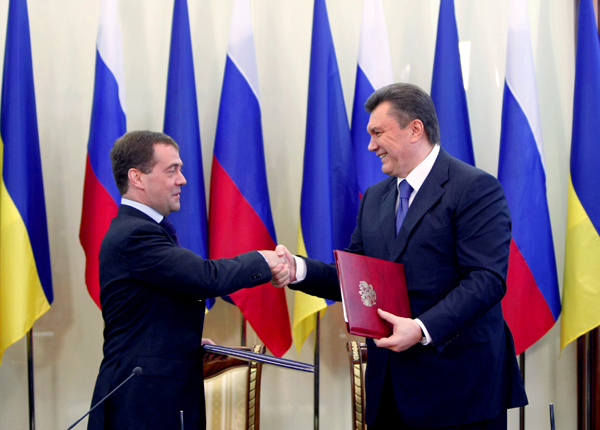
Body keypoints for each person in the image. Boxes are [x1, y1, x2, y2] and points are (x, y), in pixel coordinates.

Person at [275, 83, 527, 429]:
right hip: (390, 390)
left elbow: (486, 281)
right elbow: (355, 276)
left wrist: (422, 328)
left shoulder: (474, 188)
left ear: (415, 129)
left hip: (460, 389)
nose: (370, 145)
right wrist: (298, 269)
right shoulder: (376, 198)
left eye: (378, 133)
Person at [87, 130, 290, 430]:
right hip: (142, 404)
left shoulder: (144, 229)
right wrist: (264, 259)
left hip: (156, 397)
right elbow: (204, 278)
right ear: (137, 177)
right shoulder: (135, 235)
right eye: (172, 170)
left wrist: (182, 341)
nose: (182, 180)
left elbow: (152, 309)